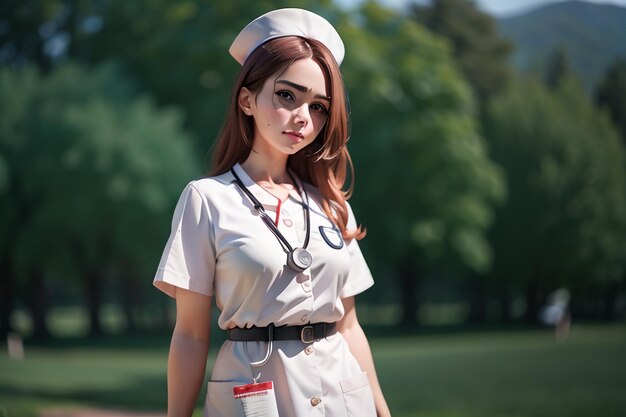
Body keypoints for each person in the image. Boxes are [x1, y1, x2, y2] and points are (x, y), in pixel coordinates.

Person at [154, 8, 391, 417]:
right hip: (253, 396)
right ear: (247, 99)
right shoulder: (207, 200)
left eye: (318, 107)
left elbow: (350, 326)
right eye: (287, 95)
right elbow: (191, 334)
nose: (303, 117)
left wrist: (382, 410)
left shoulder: (333, 205)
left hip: (343, 398)